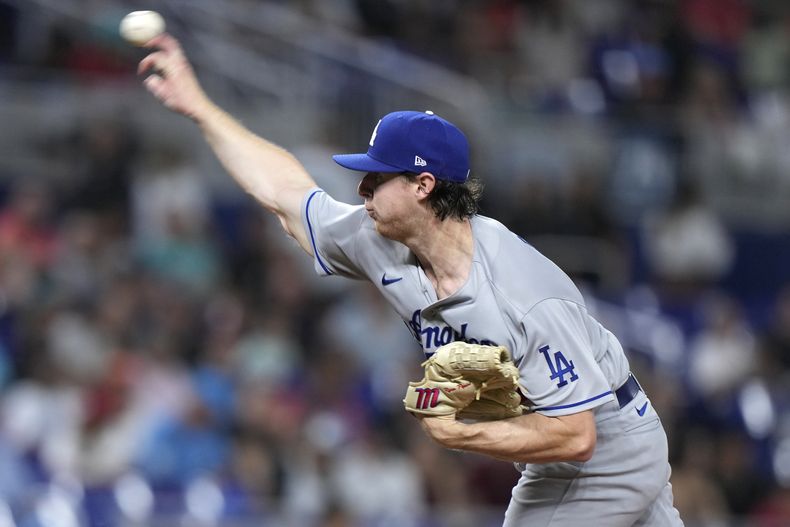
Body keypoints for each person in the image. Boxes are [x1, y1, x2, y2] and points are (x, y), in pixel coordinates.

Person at [138, 34, 684, 526]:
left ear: (423, 185)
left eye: (376, 177)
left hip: (605, 446)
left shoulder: (522, 291)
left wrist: (462, 432)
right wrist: (201, 108)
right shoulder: (377, 237)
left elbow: (577, 435)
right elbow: (284, 193)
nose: (362, 190)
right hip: (570, 441)